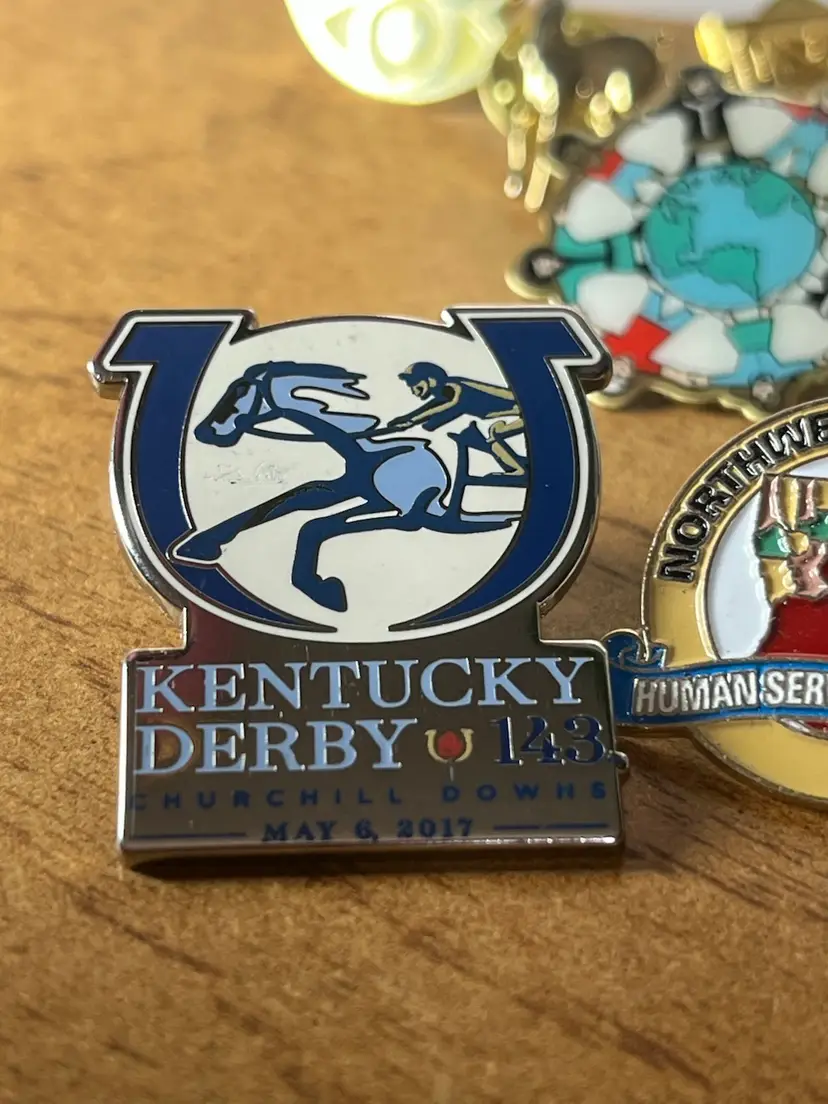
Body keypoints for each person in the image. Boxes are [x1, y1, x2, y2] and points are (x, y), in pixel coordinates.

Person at [387, 361, 526, 475]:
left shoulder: (454, 387)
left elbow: (448, 407)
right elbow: (431, 409)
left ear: (431, 379)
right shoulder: (445, 392)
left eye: (415, 383)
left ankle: (519, 471)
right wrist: (407, 418)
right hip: (521, 415)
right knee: (494, 437)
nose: (413, 390)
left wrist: (411, 421)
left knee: (495, 433)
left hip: (524, 413)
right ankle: (519, 468)